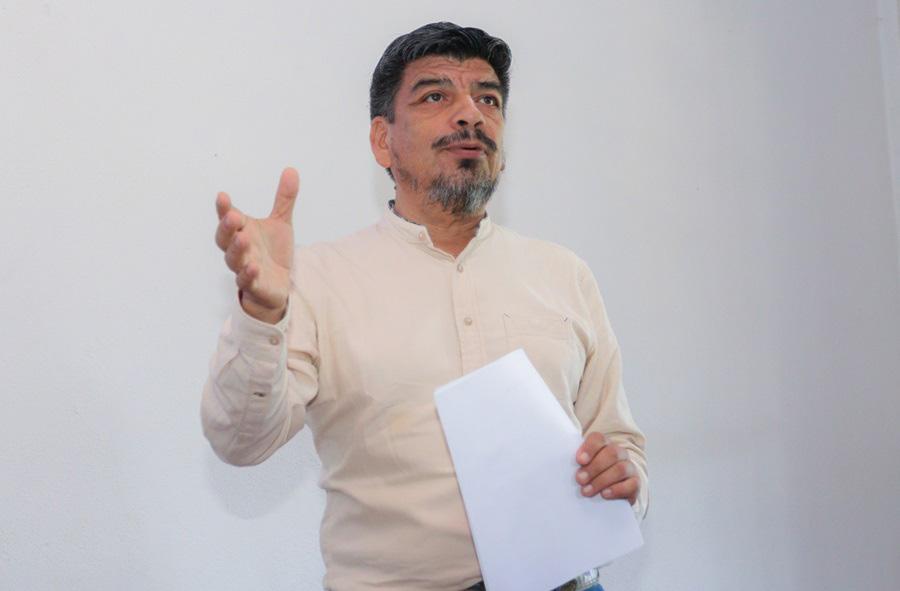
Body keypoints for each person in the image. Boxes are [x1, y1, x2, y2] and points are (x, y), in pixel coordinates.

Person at [202, 22, 648, 591]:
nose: (471, 115)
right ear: (382, 141)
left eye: (488, 99)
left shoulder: (564, 274)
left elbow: (621, 444)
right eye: (436, 96)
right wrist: (262, 315)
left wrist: (625, 479)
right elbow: (240, 443)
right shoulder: (317, 279)